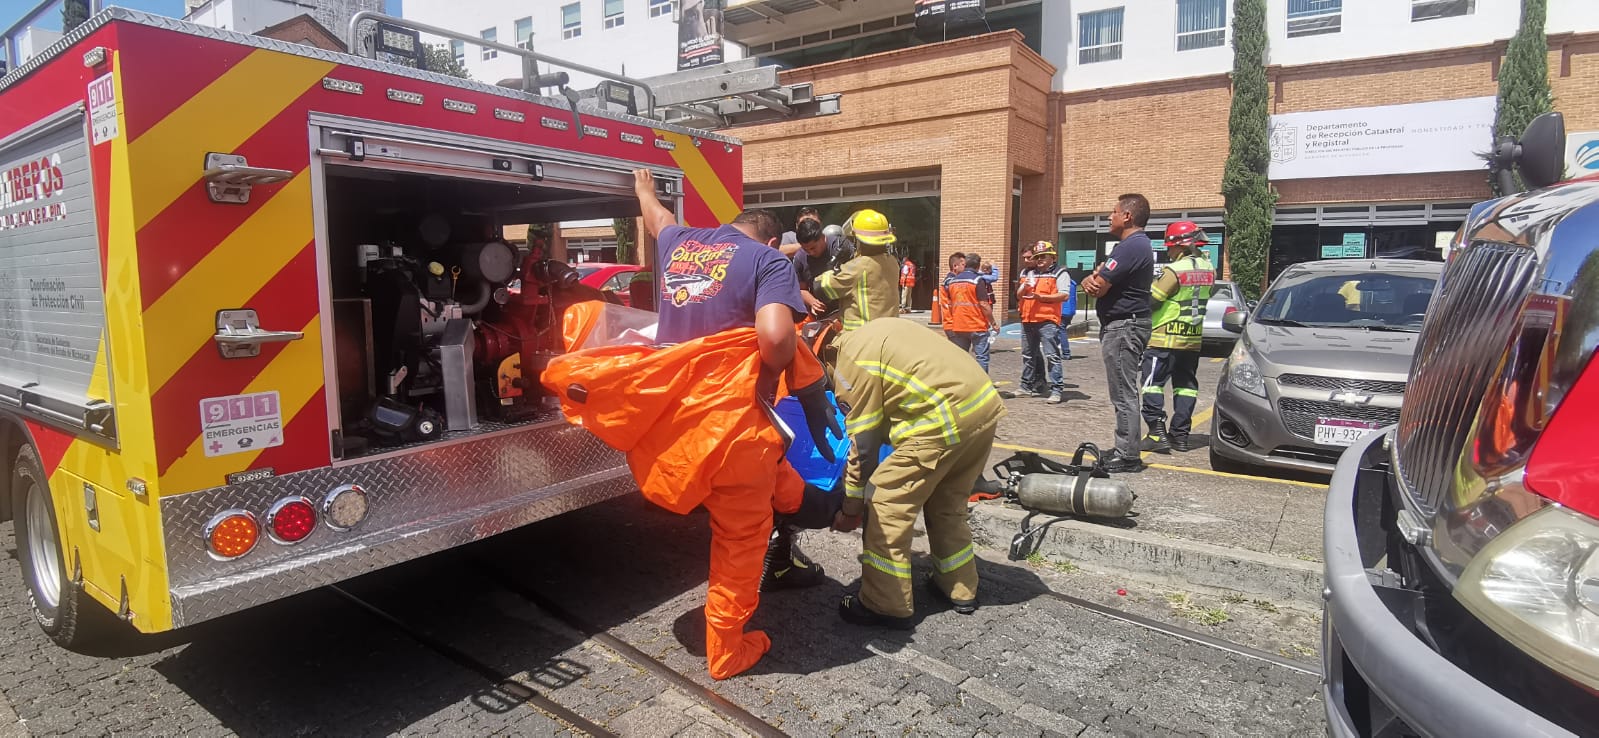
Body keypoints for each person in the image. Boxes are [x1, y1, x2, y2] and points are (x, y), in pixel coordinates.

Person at [626, 168, 837, 679]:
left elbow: (659, 221)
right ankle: (726, 650)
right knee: (740, 540)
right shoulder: (768, 260)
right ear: (770, 239)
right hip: (735, 429)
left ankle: (798, 503)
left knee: (777, 481)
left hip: (677, 423)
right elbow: (774, 336)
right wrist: (773, 369)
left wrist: (642, 191)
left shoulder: (681, 243)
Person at [824, 317, 1005, 628]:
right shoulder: (869, 335)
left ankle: (885, 604)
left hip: (942, 419)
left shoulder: (847, 365)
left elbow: (864, 448)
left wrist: (851, 507)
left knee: (884, 503)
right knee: (947, 505)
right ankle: (959, 588)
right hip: (983, 406)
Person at [1081, 193, 1155, 474]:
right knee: (1122, 391)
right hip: (1124, 325)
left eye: (1113, 212)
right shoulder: (1133, 246)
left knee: (1123, 393)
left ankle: (1128, 455)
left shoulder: (1130, 247)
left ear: (1127, 216)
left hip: (1125, 326)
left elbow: (1097, 286)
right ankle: (1125, 446)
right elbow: (1099, 282)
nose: (1110, 216)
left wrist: (1094, 277)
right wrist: (1096, 278)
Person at [1140, 221, 1216, 453]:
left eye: (1170, 247)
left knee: (1152, 384)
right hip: (1191, 339)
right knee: (1186, 387)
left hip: (1164, 337)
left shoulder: (1175, 269)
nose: (1168, 251)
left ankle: (1155, 432)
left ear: (1180, 246)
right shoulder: (1209, 268)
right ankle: (1180, 436)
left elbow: (1154, 299)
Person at [813, 209, 901, 331]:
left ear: (858, 240)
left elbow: (820, 288)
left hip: (861, 337)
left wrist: (831, 267)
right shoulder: (892, 262)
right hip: (889, 332)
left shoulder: (858, 267)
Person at [1016, 241, 1071, 403]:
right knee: (1028, 355)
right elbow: (1019, 296)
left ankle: (1056, 389)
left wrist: (1041, 297)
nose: (1039, 259)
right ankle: (1026, 386)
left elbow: (1064, 295)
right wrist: (1024, 288)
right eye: (1037, 256)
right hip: (1028, 319)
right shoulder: (1027, 272)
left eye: (1043, 256)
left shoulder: (1060, 272)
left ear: (1052, 257)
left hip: (1047, 320)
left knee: (1052, 355)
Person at [941, 253, 996, 372]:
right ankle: (981, 386)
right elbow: (984, 304)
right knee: (981, 357)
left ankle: (962, 384)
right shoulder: (977, 280)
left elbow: (951, 303)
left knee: (961, 358)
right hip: (977, 325)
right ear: (978, 266)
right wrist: (993, 323)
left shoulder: (952, 281)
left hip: (959, 325)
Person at [791, 218, 838, 316]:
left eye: (813, 248)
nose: (811, 252)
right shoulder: (800, 258)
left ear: (822, 237)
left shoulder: (838, 247)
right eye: (806, 249)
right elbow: (801, 289)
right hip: (822, 312)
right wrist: (812, 302)